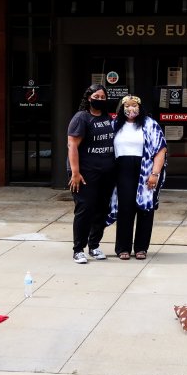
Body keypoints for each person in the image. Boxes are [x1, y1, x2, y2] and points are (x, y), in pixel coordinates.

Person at [107, 95, 167, 261]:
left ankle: (141, 247)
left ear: (140, 108)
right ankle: (123, 248)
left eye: (134, 105)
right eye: (127, 106)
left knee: (145, 209)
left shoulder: (150, 124)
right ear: (122, 108)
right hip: (122, 170)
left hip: (146, 170)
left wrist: (155, 174)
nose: (131, 109)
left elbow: (161, 150)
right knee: (125, 208)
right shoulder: (114, 125)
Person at [67, 84, 116, 264]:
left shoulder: (107, 118)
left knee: (101, 210)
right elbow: (72, 145)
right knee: (85, 210)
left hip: (106, 174)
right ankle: (78, 249)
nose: (100, 100)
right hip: (85, 173)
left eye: (103, 97)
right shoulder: (81, 117)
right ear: (89, 98)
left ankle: (94, 245)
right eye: (96, 97)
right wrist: (75, 172)